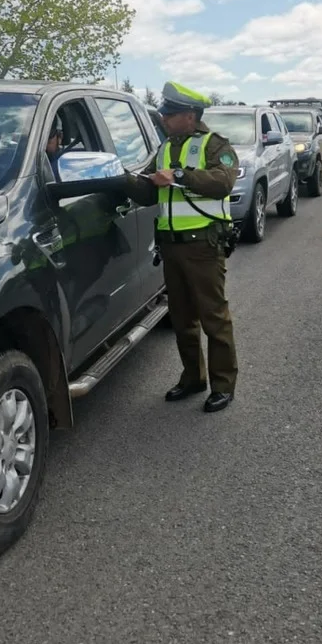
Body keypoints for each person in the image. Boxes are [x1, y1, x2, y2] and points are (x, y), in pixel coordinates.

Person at [120, 81, 239, 413]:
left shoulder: (215, 146)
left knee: (214, 318)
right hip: (171, 247)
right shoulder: (163, 148)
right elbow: (147, 191)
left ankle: (223, 385)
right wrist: (120, 179)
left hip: (204, 245)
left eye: (169, 114)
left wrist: (179, 176)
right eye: (163, 113)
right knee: (183, 318)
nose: (163, 118)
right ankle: (192, 378)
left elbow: (224, 182)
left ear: (189, 115)